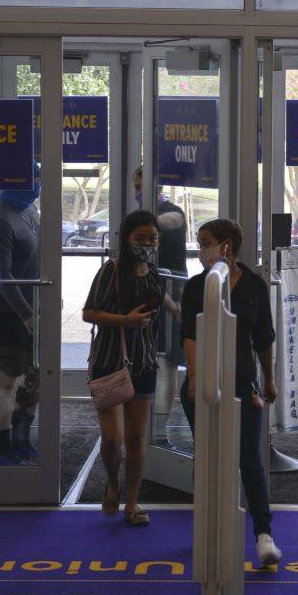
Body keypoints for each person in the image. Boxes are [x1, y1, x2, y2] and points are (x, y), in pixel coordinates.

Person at [179, 218, 282, 568]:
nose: (200, 249)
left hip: (243, 385)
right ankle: (207, 526)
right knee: (207, 456)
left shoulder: (254, 285)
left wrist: (268, 379)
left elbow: (263, 339)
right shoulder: (198, 286)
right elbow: (189, 336)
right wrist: (194, 379)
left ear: (226, 246)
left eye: (205, 242)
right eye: (198, 242)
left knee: (248, 458)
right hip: (204, 385)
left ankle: (263, 536)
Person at [82, 209, 180, 525]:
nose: (147, 244)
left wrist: (183, 313)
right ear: (126, 240)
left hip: (144, 362)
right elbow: (89, 313)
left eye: (152, 238)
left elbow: (163, 299)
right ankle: (113, 482)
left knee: (137, 438)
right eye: (140, 238)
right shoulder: (111, 271)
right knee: (113, 440)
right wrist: (126, 320)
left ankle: (133, 503)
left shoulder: (153, 272)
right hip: (110, 361)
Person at [0, 169, 41, 465]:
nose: (36, 184)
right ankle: (3, 448)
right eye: (31, 178)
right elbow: (1, 276)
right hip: (8, 315)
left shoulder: (29, 210)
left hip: (34, 310)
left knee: (33, 379)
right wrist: (26, 315)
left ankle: (21, 439)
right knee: (4, 382)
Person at [132, 166, 187, 441]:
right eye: (136, 188)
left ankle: (159, 430)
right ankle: (145, 424)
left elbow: (167, 222)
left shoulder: (174, 212)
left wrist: (143, 218)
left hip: (174, 297)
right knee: (147, 361)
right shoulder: (138, 221)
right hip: (148, 298)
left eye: (143, 187)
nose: (138, 192)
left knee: (169, 364)